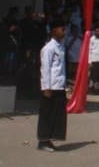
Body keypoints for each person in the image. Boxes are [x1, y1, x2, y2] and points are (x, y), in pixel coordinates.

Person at [37, 20, 67, 152]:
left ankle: (50, 139)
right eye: (62, 29)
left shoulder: (60, 46)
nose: (64, 32)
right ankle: (43, 141)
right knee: (47, 113)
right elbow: (45, 68)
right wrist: (46, 87)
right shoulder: (48, 48)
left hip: (59, 85)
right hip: (51, 87)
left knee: (57, 114)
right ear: (54, 31)